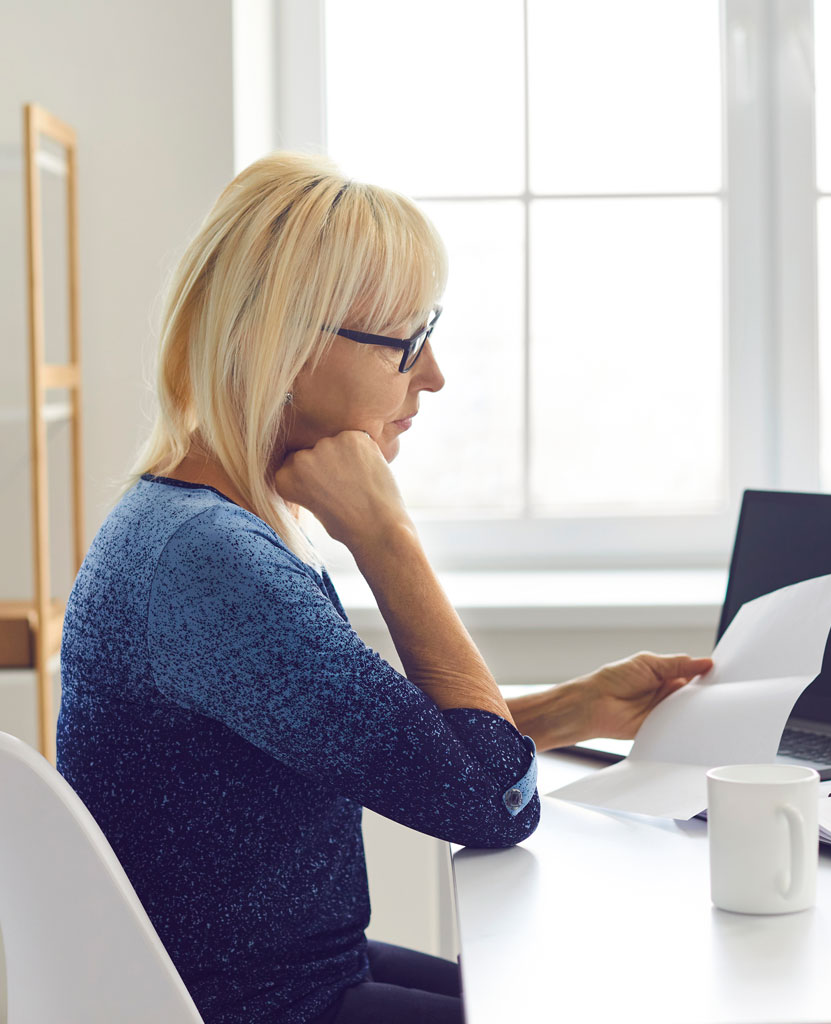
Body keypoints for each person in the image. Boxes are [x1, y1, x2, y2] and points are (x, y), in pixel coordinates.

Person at [56, 151, 713, 1024]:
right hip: (266, 1006)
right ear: (285, 348)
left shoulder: (189, 526)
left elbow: (393, 747)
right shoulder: (214, 567)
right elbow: (491, 805)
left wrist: (566, 712)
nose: (432, 373)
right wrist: (387, 538)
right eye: (406, 342)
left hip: (278, 977)